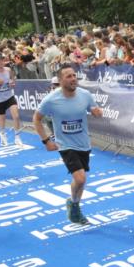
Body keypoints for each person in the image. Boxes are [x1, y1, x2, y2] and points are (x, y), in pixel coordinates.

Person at [33, 66, 103, 225]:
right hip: (65, 145)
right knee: (80, 178)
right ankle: (74, 204)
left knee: (81, 181)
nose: (73, 79)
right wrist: (46, 141)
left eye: (74, 75)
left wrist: (97, 112)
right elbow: (36, 119)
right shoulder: (51, 99)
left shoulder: (85, 95)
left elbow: (94, 109)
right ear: (60, 80)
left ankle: (74, 205)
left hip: (83, 143)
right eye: (69, 76)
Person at [0, 55, 23, 147]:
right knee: (2, 119)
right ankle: (3, 136)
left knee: (16, 116)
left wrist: (12, 83)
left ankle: (17, 138)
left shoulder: (8, 70)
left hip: (9, 97)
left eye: (2, 60)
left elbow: (13, 79)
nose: (0, 62)